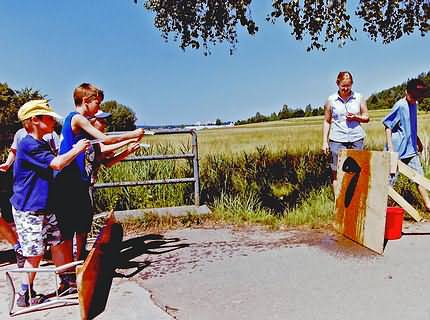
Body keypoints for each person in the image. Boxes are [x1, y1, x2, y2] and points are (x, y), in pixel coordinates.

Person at [10, 100, 89, 307]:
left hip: (45, 205)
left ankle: (66, 281)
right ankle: (23, 294)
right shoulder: (27, 144)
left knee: (58, 242)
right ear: (34, 120)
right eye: (48, 117)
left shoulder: (41, 143)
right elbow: (57, 163)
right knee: (34, 252)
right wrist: (77, 149)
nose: (53, 121)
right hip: (29, 208)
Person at [52, 83, 144, 261]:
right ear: (86, 101)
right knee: (70, 228)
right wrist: (131, 134)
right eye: (97, 104)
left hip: (79, 182)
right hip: (68, 182)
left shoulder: (83, 124)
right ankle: (70, 267)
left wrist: (128, 145)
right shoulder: (77, 118)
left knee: (82, 225)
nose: (99, 108)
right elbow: (106, 140)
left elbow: (102, 150)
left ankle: (80, 261)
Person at [0, 128, 59, 267]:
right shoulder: (21, 135)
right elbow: (14, 150)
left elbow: (57, 154)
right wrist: (8, 164)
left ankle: (18, 247)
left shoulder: (47, 135)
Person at [383, 78, 430, 210]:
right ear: (406, 92)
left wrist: (418, 141)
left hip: (410, 150)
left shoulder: (414, 105)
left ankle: (428, 204)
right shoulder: (400, 105)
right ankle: (381, 208)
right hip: (396, 150)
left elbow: (411, 126)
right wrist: (391, 149)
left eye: (417, 97)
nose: (415, 99)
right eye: (413, 96)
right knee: (390, 181)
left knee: (418, 177)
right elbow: (388, 126)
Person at [322, 71, 369, 190]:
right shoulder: (331, 100)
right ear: (337, 83)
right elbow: (327, 121)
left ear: (352, 84)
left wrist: (356, 117)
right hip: (337, 140)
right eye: (343, 85)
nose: (346, 88)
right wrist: (324, 142)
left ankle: (354, 203)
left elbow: (366, 117)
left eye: (348, 85)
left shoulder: (359, 97)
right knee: (336, 171)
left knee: (357, 171)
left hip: (356, 139)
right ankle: (338, 205)